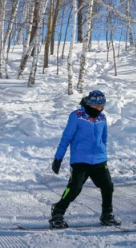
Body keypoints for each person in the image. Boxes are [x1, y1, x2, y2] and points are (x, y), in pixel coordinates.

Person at [49, 90, 120, 229]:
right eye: (98, 106)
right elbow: (66, 138)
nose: (100, 109)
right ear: (91, 104)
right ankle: (57, 212)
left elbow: (103, 138)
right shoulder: (77, 116)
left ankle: (107, 214)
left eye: (102, 106)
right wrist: (58, 158)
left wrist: (103, 154)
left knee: (108, 187)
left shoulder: (102, 118)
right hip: (80, 160)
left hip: (99, 160)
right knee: (74, 188)